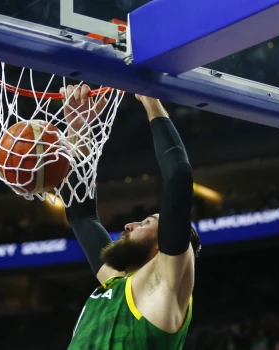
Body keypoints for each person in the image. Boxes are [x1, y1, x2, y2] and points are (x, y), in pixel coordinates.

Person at [60, 84, 201, 349]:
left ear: (165, 244)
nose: (129, 225)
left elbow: (179, 175)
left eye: (147, 222)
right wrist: (78, 130)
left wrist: (150, 100)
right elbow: (81, 216)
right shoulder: (118, 282)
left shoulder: (164, 286)